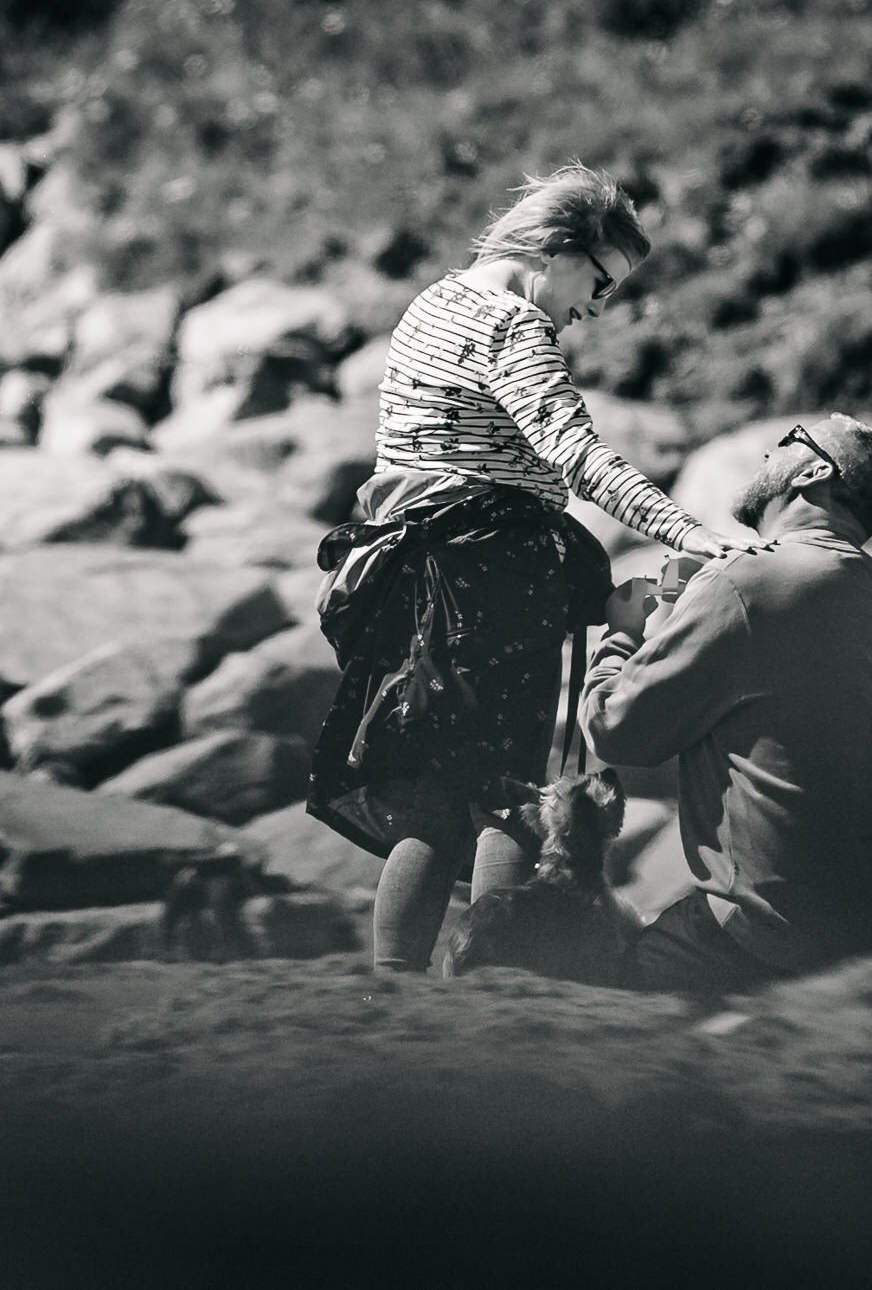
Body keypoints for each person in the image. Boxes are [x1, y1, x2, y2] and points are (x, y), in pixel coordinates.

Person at [310, 163, 759, 974]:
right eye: (598, 281)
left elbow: (395, 457)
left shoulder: (431, 303)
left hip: (412, 578)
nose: (595, 307)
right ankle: (504, 990)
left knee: (433, 798)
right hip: (492, 581)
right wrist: (689, 531)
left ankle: (389, 999)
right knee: (514, 801)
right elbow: (577, 458)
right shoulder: (513, 327)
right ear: (557, 249)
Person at [579, 414, 872, 993]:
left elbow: (616, 730)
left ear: (815, 472)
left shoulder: (745, 580)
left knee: (596, 987)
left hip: (775, 925)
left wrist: (622, 630)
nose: (765, 453)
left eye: (784, 442)